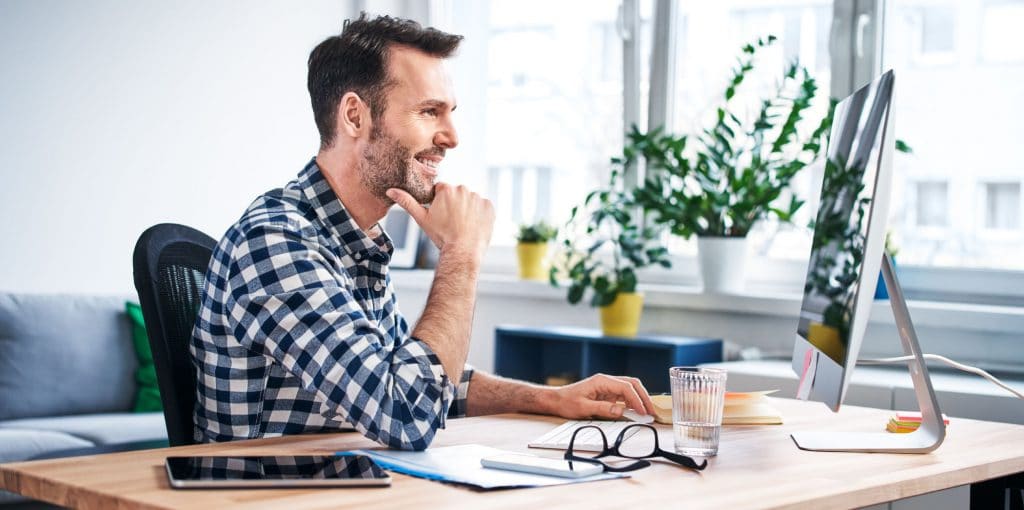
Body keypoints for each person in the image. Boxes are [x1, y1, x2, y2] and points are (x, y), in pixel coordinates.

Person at [191, 13, 654, 451]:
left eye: (449, 112)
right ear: (354, 116)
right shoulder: (277, 243)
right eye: (430, 112)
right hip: (270, 492)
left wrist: (550, 399)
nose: (452, 136)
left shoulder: (354, 242)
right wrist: (461, 253)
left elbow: (422, 382)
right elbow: (407, 413)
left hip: (350, 485)